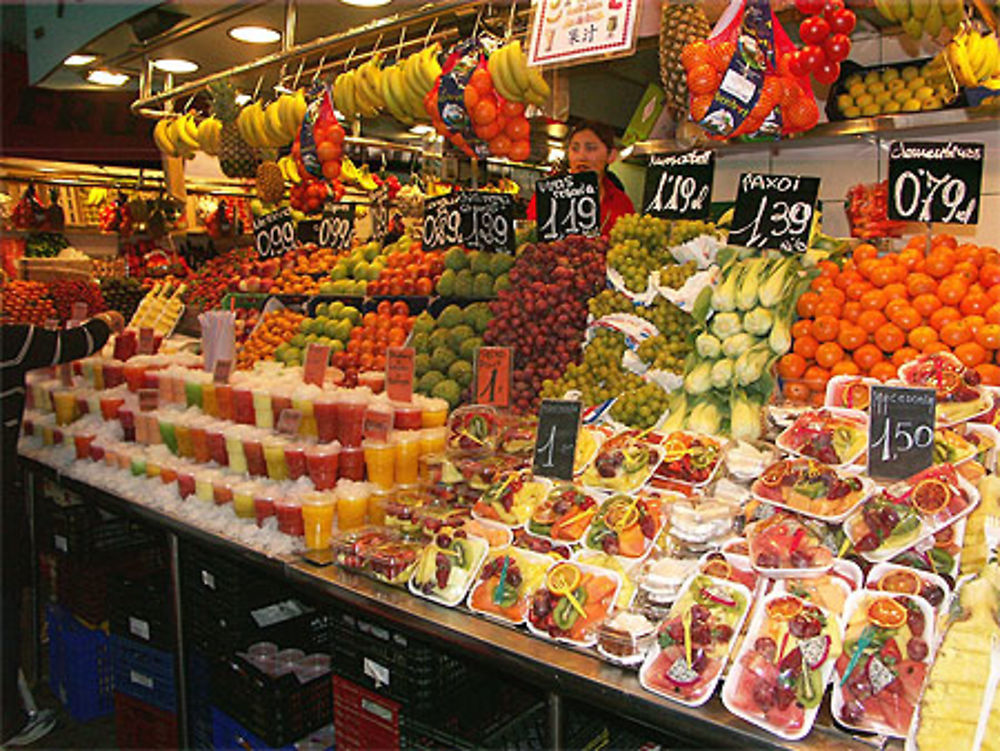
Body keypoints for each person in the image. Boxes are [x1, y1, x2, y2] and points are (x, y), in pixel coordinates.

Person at [1, 311, 124, 746]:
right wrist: (107, 320)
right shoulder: (10, 341)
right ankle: (9, 721)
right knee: (3, 603)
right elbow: (71, 344)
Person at [527, 119, 635, 236]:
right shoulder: (548, 194)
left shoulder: (622, 203)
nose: (581, 157)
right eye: (575, 148)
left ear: (611, 156)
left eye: (591, 148)